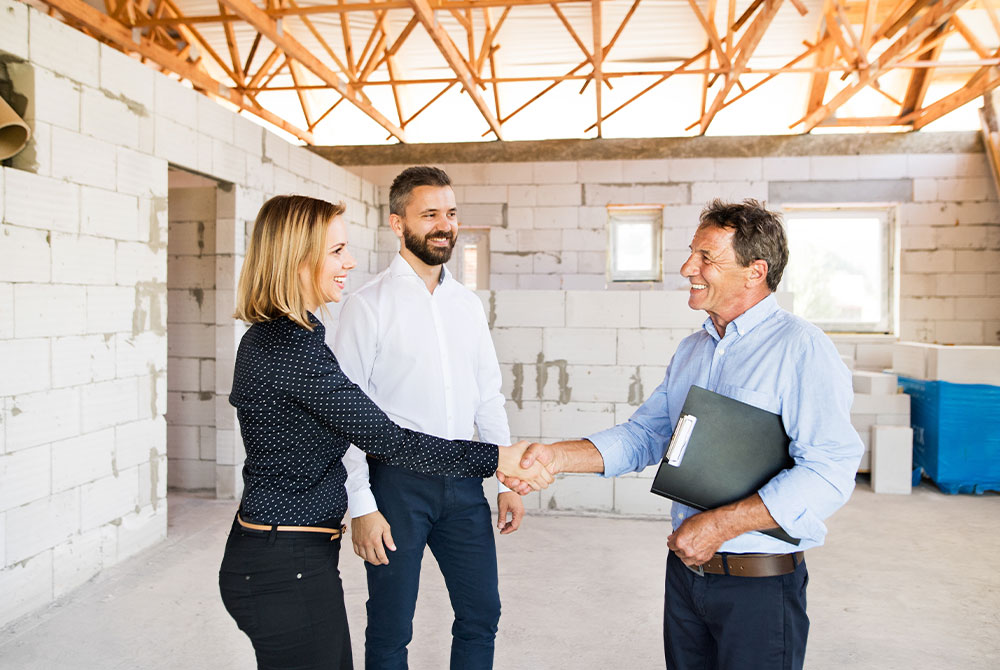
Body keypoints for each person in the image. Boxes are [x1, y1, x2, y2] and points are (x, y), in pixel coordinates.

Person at [504, 199, 864, 670]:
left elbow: (831, 469)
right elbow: (648, 434)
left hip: (757, 586)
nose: (686, 267)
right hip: (688, 575)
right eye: (691, 252)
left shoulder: (801, 348)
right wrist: (555, 457)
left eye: (705, 259)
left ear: (755, 271)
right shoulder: (694, 348)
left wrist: (720, 524)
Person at [217, 194, 552, 670]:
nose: (348, 261)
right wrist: (496, 458)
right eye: (336, 251)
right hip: (282, 562)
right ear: (297, 257)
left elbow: (483, 395)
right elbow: (387, 439)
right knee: (389, 627)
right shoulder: (290, 347)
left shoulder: (295, 335)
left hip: (295, 553)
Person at [330, 166, 520, 670]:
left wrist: (508, 481)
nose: (444, 225)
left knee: (482, 613)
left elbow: (488, 394)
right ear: (398, 224)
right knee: (392, 624)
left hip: (464, 483)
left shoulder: (467, 305)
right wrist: (361, 506)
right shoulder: (366, 306)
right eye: (430, 214)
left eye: (451, 213)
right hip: (396, 488)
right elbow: (345, 417)